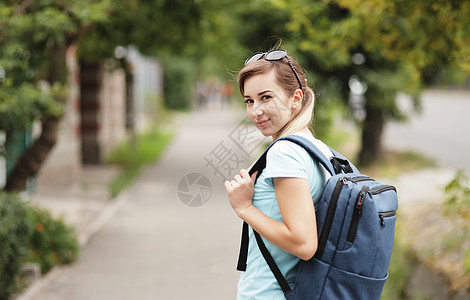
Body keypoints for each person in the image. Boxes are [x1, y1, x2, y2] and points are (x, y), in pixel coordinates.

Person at [224, 49, 333, 299]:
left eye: (266, 98)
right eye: (249, 101)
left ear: (296, 98)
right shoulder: (320, 149)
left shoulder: (284, 153)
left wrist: (244, 208)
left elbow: (304, 244)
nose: (255, 111)